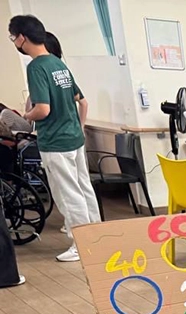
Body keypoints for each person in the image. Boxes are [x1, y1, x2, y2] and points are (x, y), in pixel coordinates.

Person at [8, 15, 99, 263]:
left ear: (22, 38)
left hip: (56, 141)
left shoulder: (36, 67)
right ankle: (98, 237)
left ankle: (81, 245)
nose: (14, 41)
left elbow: (43, 109)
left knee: (68, 194)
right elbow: (77, 99)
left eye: (12, 37)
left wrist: (27, 115)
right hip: (74, 137)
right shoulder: (59, 65)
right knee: (84, 188)